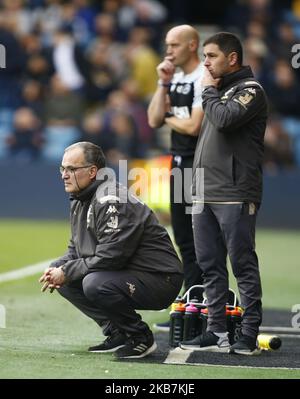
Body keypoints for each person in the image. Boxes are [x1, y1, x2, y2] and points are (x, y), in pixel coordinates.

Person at [38, 141, 183, 359]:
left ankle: (141, 338)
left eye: (71, 169)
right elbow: (76, 250)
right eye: (63, 169)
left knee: (92, 282)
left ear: (92, 171)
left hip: (160, 278)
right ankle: (118, 332)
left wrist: (67, 271)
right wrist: (57, 270)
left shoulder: (111, 199)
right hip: (130, 272)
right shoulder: (80, 199)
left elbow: (112, 256)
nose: (64, 175)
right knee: (62, 272)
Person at [180, 32, 268, 355]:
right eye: (204, 56)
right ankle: (216, 330)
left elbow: (224, 119)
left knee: (242, 262)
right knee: (210, 264)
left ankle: (248, 333)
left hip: (234, 190)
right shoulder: (218, 91)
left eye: (211, 56)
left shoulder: (250, 91)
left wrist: (207, 91)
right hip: (204, 190)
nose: (205, 63)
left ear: (232, 58)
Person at [147, 25, 204, 330]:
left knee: (201, 238)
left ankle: (205, 301)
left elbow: (194, 126)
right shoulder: (177, 78)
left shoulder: (203, 77)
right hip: (179, 163)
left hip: (201, 166)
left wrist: (171, 118)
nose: (168, 50)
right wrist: (162, 82)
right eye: (167, 44)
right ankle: (192, 297)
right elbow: (154, 118)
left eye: (174, 45)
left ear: (192, 45)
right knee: (182, 235)